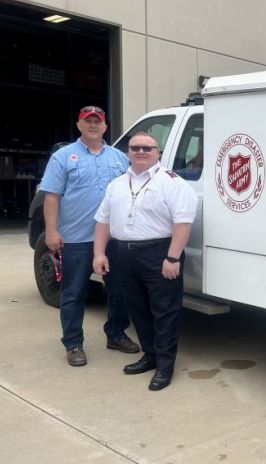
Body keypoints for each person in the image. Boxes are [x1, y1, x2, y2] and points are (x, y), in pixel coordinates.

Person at [93, 132, 198, 391]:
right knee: (137, 308)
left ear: (157, 152)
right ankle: (150, 355)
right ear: (128, 152)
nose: (141, 151)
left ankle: (164, 365)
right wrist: (99, 253)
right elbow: (103, 221)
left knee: (164, 311)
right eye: (135, 147)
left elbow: (182, 223)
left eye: (147, 148)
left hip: (159, 252)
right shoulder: (116, 184)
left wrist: (172, 257)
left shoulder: (173, 183)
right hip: (122, 253)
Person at [41, 105, 140, 367]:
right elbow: (51, 197)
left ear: (106, 127)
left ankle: (116, 334)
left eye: (98, 121)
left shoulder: (120, 158)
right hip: (76, 239)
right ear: (79, 125)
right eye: (88, 121)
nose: (93, 125)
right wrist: (51, 230)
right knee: (74, 293)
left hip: (114, 240)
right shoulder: (63, 157)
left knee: (119, 290)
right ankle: (73, 343)